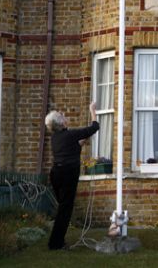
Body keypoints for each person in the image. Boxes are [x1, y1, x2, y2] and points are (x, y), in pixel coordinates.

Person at [45, 101, 99, 250]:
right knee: (65, 209)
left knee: (63, 208)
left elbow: (73, 146)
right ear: (61, 123)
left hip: (56, 174)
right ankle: (55, 244)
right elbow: (95, 127)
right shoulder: (69, 134)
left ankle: (57, 241)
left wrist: (83, 140)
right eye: (62, 116)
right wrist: (92, 110)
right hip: (68, 174)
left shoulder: (56, 138)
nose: (65, 116)